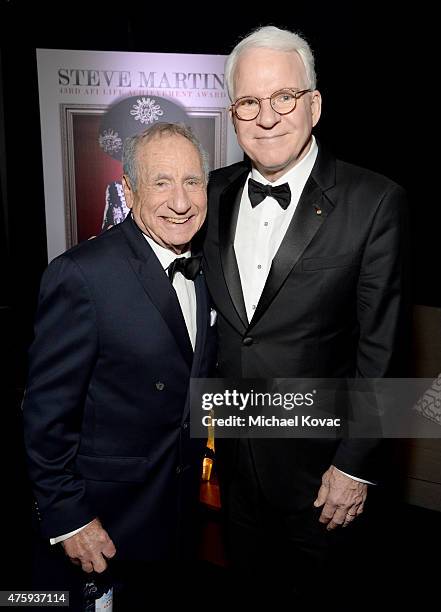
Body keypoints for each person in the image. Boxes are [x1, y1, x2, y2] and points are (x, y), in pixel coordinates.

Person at [202, 26, 408, 602]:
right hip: (235, 473)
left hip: (325, 483)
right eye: (248, 102)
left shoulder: (375, 202)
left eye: (284, 97)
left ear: (313, 105)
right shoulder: (211, 195)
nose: (267, 116)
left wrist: (356, 468)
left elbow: (383, 352)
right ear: (233, 113)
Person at [23, 122, 216, 609]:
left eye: (192, 181)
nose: (181, 201)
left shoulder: (210, 266)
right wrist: (68, 518)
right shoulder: (81, 275)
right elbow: (44, 415)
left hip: (178, 516)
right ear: (128, 190)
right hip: (107, 524)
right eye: (161, 182)